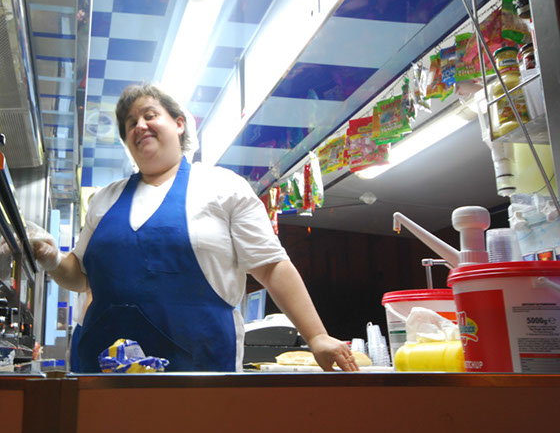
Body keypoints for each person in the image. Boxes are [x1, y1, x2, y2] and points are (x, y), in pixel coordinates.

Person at [28, 83, 358, 373]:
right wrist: (51, 257)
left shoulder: (222, 187)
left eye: (149, 115)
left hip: (199, 374)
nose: (139, 125)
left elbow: (271, 266)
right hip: (102, 374)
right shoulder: (104, 199)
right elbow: (81, 276)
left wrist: (316, 335)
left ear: (179, 123)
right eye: (130, 123)